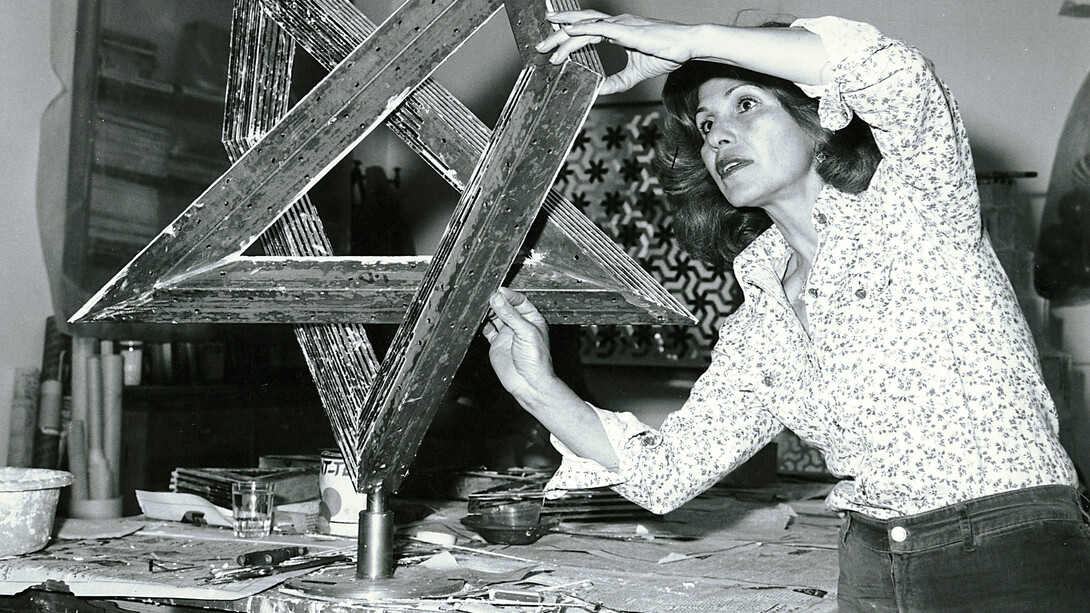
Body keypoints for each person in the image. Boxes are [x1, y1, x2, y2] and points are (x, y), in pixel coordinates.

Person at [481, 9, 1090, 612]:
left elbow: (895, 74)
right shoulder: (761, 317)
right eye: (706, 124)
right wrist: (538, 388)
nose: (717, 137)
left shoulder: (917, 205)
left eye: (746, 105)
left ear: (822, 117)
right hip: (872, 568)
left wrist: (692, 41)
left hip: (1009, 549)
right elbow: (666, 474)